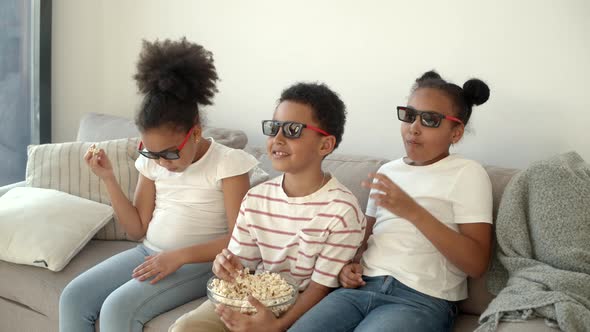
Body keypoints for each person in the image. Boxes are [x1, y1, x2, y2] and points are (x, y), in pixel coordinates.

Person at [59, 37, 258, 332]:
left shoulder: (228, 164)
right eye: (153, 152)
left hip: (199, 264)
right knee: (73, 297)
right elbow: (137, 228)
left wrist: (178, 256)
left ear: (195, 133)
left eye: (170, 153)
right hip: (149, 253)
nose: (163, 162)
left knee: (117, 308)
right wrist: (109, 179)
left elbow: (239, 241)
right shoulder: (151, 162)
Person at [289, 70, 493, 332]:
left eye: (430, 120)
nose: (414, 128)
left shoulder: (467, 173)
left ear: (456, 132)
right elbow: (361, 242)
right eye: (409, 116)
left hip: (420, 300)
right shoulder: (388, 172)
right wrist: (349, 267)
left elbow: (476, 264)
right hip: (360, 289)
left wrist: (413, 211)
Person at [169, 82, 367, 332]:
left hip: (303, 307)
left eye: (293, 130)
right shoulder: (256, 198)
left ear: (325, 145)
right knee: (186, 327)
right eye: (274, 128)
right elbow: (243, 266)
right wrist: (226, 266)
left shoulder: (341, 209)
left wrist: (276, 326)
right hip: (253, 296)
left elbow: (321, 288)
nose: (278, 139)